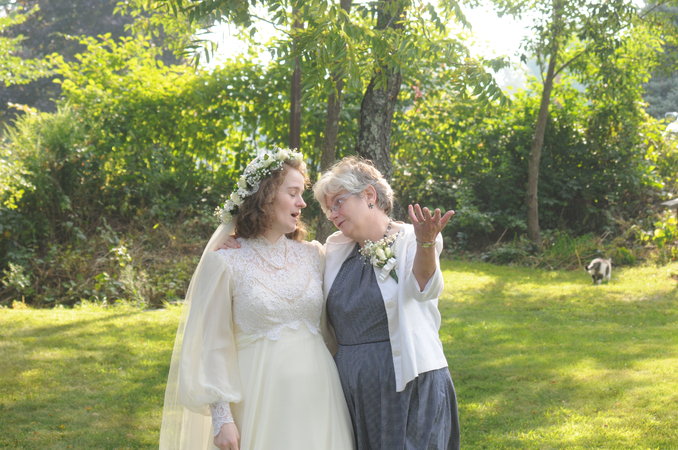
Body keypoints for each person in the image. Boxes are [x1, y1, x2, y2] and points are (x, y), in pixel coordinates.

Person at [159, 148, 354, 450]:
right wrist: (222, 418)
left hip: (320, 398)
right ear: (266, 196)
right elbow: (213, 344)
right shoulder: (225, 262)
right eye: (293, 193)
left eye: (301, 194)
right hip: (258, 398)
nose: (302, 203)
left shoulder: (314, 255)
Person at [313, 156, 460, 450]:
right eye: (328, 208)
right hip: (353, 388)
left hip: (408, 382)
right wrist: (236, 241)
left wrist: (427, 243)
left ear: (369, 195)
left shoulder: (413, 239)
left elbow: (423, 287)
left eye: (338, 202)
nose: (332, 214)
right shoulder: (335, 249)